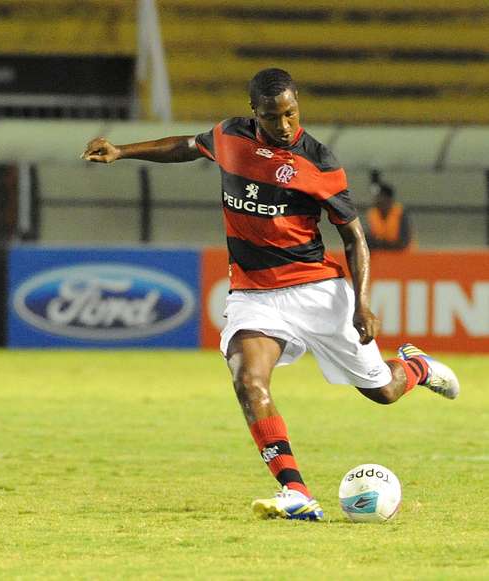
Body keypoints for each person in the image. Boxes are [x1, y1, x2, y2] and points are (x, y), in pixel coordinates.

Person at [81, 68, 460, 521]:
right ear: (253, 113)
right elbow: (187, 146)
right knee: (248, 380)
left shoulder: (319, 163)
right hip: (254, 294)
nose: (283, 125)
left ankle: (418, 366)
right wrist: (123, 151)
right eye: (272, 116)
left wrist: (361, 302)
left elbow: (355, 238)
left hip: (316, 290)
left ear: (298, 104)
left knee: (382, 391)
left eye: (290, 113)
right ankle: (295, 490)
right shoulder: (229, 137)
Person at [364, 181, 413, 251]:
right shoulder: (372, 213)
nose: (376, 200)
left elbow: (403, 242)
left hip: (403, 257)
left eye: (379, 196)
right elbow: (369, 239)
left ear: (388, 198)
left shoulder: (400, 213)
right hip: (381, 257)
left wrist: (379, 243)